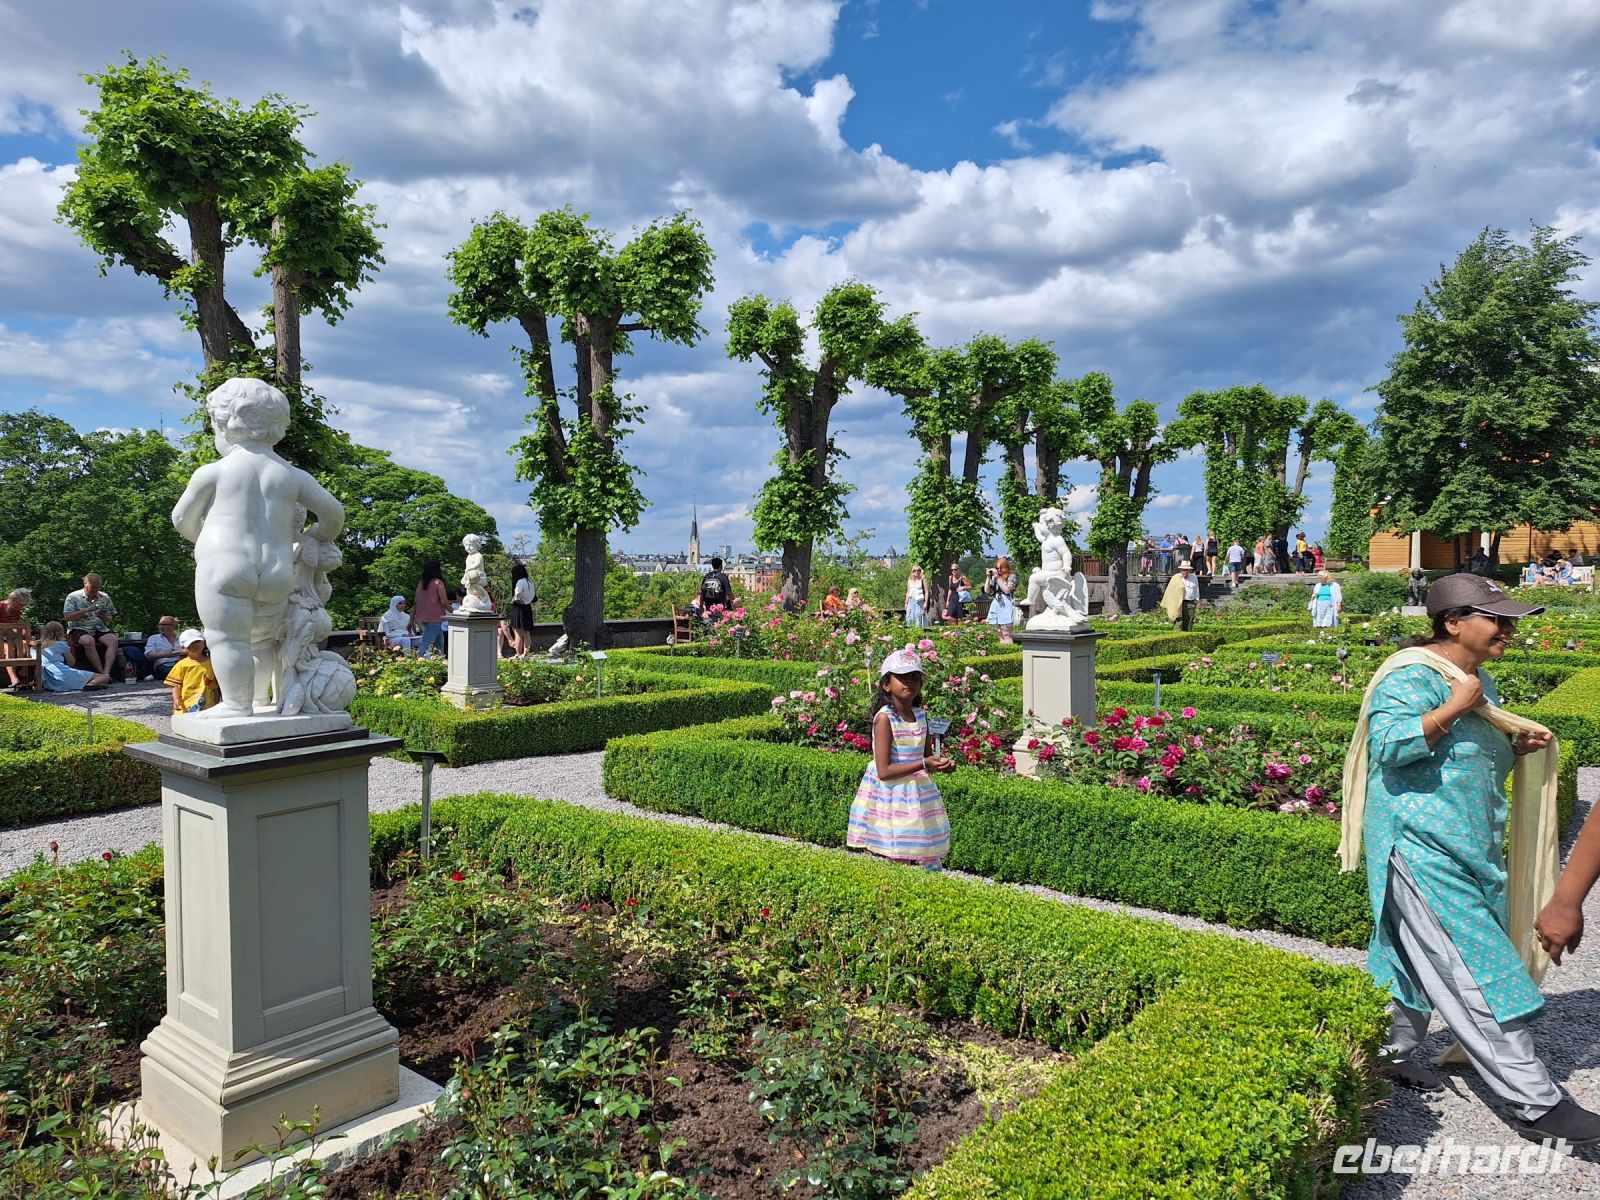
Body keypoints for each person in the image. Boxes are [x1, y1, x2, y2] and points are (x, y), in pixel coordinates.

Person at [1338, 574, 1600, 1145]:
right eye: (1496, 617)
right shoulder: (1413, 677)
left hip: (1466, 846)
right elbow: (1389, 746)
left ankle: (1386, 1053)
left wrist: (1514, 745)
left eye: (1509, 618)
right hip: (1419, 846)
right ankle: (1536, 1100)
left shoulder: (1478, 680)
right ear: (1453, 622)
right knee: (1474, 964)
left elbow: (1470, 762)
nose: (1508, 628)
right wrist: (1454, 707)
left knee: (1408, 956)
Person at [171, 379, 344, 717]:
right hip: (277, 571)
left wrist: (204, 542)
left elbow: (182, 518)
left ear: (224, 425)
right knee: (262, 640)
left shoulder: (214, 471)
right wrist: (313, 537)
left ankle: (237, 705)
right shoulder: (291, 475)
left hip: (224, 565)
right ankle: (261, 700)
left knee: (228, 638)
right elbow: (334, 515)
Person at [846, 647, 954, 869]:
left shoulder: (921, 715)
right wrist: (924, 764)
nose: (910, 682)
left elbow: (925, 758)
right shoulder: (885, 718)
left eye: (915, 677)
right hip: (894, 795)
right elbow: (884, 771)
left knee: (927, 846)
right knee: (900, 850)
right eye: (902, 677)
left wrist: (941, 764)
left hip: (919, 793)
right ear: (886, 684)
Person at [62, 573, 120, 678]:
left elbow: (109, 618)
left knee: (113, 640)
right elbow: (67, 617)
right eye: (92, 587)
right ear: (85, 584)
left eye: (97, 587)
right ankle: (101, 673)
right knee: (89, 641)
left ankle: (107, 672)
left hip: (99, 627)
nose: (95, 590)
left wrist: (101, 615)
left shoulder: (104, 597)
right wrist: (87, 610)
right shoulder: (73, 596)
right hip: (79, 627)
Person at [38, 621, 111, 692]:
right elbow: (71, 662)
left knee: (84, 676)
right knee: (104, 677)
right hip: (62, 673)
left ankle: (85, 683)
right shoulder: (60, 644)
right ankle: (90, 685)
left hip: (46, 678)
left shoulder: (35, 645)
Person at [164, 628, 221, 714]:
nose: (195, 646)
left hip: (207, 703)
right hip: (186, 704)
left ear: (204, 643)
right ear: (183, 647)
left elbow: (215, 684)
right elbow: (175, 685)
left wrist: (216, 700)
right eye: (191, 644)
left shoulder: (212, 663)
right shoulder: (181, 665)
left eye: (197, 642)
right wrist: (176, 700)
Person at [414, 560, 449, 657]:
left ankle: (441, 659)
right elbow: (444, 602)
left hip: (422, 616)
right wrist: (455, 612)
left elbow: (416, 600)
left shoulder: (421, 583)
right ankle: (418, 660)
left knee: (439, 641)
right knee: (425, 643)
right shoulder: (438, 583)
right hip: (435, 617)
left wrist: (413, 617)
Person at [0, 588, 31, 687]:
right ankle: (14, 679)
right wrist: (11, 629)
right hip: (1, 638)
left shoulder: (16, 611)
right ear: (13, 600)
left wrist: (21, 631)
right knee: (10, 648)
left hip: (10, 637)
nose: (21, 607)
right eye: (20, 605)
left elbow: (15, 625)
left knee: (26, 645)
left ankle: (23, 673)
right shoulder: (0, 606)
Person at [141, 616, 185, 682]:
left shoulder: (182, 638)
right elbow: (149, 655)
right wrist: (166, 655)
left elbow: (190, 651)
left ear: (173, 626)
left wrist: (184, 653)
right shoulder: (154, 638)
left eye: (164, 625)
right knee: (172, 671)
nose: (161, 627)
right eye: (160, 625)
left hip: (180, 664)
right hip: (163, 666)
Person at [983, 557, 1017, 641]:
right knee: (998, 632)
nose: (998, 570)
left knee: (1006, 632)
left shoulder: (1011, 577)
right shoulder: (995, 578)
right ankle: (1003, 646)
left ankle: (1009, 648)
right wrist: (988, 577)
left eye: (999, 568)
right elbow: (986, 591)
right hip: (996, 603)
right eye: (996, 568)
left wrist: (998, 578)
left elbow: (1007, 590)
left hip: (1006, 603)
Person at [1161, 560, 1198, 631]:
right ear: (1181, 570)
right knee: (1179, 621)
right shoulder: (1176, 578)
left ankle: (1187, 638)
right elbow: (1170, 591)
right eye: (1183, 570)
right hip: (1179, 603)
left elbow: (1197, 589)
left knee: (1189, 621)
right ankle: (1177, 638)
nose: (1185, 571)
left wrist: (1197, 599)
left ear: (1189, 570)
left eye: (1187, 570)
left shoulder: (1194, 577)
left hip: (1190, 603)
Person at [508, 562, 536, 656]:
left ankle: (518, 653)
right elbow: (533, 596)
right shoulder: (530, 582)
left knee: (518, 631)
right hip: (527, 606)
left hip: (519, 607)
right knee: (526, 632)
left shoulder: (520, 582)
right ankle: (525, 653)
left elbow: (518, 593)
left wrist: (515, 599)